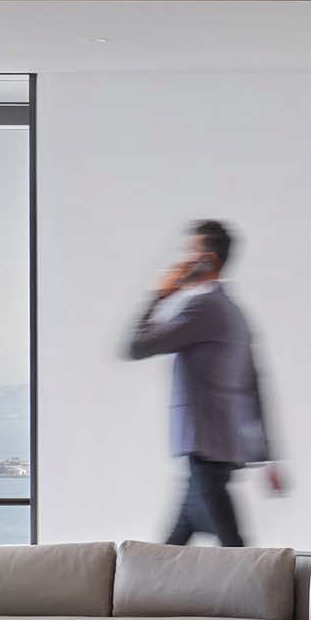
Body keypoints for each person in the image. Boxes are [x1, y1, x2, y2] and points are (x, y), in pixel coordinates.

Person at [126, 219, 284, 546]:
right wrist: (268, 455)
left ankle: (265, 594)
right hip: (219, 450)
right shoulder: (234, 312)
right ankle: (142, 596)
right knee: (169, 552)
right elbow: (255, 387)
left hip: (205, 449)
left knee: (235, 551)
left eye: (190, 252)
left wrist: (158, 295)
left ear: (207, 260)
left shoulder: (203, 308)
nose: (182, 260)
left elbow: (137, 346)